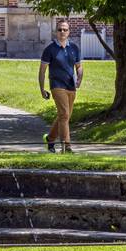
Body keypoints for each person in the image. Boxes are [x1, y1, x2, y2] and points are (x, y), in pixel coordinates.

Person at [39, 18, 83, 152]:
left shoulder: (74, 48)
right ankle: (66, 146)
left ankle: (50, 139)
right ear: (56, 32)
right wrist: (42, 89)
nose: (62, 32)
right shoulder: (50, 49)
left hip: (70, 85)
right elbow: (42, 71)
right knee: (64, 114)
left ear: (69, 32)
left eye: (65, 30)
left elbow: (79, 66)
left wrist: (80, 78)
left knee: (64, 116)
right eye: (60, 30)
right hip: (57, 85)